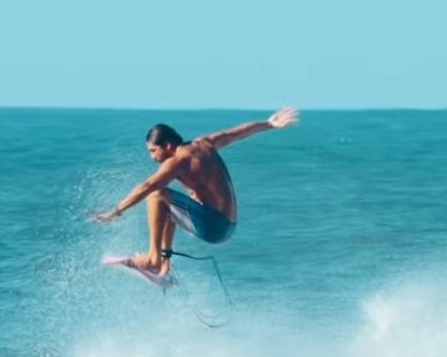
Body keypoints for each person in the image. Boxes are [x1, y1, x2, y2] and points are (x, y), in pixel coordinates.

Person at [95, 106, 299, 276]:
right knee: (167, 204)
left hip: (214, 227)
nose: (152, 157)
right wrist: (269, 124)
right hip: (229, 225)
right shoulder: (204, 143)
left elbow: (147, 186)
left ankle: (153, 259)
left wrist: (116, 211)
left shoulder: (176, 162)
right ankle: (164, 265)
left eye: (153, 151)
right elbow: (237, 133)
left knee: (157, 195)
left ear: (167, 145)